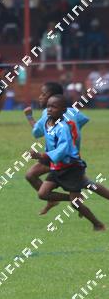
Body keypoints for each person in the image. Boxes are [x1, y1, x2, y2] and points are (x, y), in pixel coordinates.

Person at [28, 94, 109, 231]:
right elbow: (38, 132)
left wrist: (42, 155)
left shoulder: (63, 127)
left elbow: (63, 149)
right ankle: (75, 199)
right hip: (57, 167)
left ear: (64, 110)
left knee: (77, 202)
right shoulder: (46, 121)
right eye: (48, 106)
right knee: (43, 194)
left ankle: (98, 225)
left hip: (71, 167)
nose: (49, 109)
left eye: (54, 107)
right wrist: (29, 117)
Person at [23, 82, 88, 214]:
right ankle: (57, 200)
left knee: (31, 176)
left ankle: (68, 199)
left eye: (43, 94)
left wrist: (29, 117)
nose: (40, 97)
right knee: (31, 175)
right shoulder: (72, 110)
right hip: (68, 155)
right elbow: (83, 120)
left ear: (52, 97)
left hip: (59, 156)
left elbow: (37, 132)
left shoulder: (46, 114)